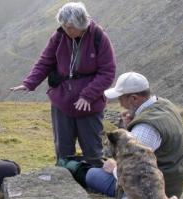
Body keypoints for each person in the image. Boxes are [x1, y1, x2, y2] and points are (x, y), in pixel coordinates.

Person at [10, 2, 116, 166]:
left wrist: (87, 95)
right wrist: (29, 83)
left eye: (69, 27)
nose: (66, 30)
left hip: (89, 106)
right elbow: (45, 61)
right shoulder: (59, 36)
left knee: (93, 149)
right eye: (64, 26)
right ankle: (65, 177)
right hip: (62, 102)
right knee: (63, 149)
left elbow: (107, 72)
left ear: (81, 24)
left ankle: (95, 180)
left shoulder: (98, 37)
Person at [85, 72, 183, 198]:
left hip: (155, 193)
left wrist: (113, 169)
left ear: (134, 98)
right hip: (172, 182)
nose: (121, 104)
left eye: (121, 98)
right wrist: (130, 124)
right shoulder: (164, 104)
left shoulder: (145, 128)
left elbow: (133, 172)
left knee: (92, 174)